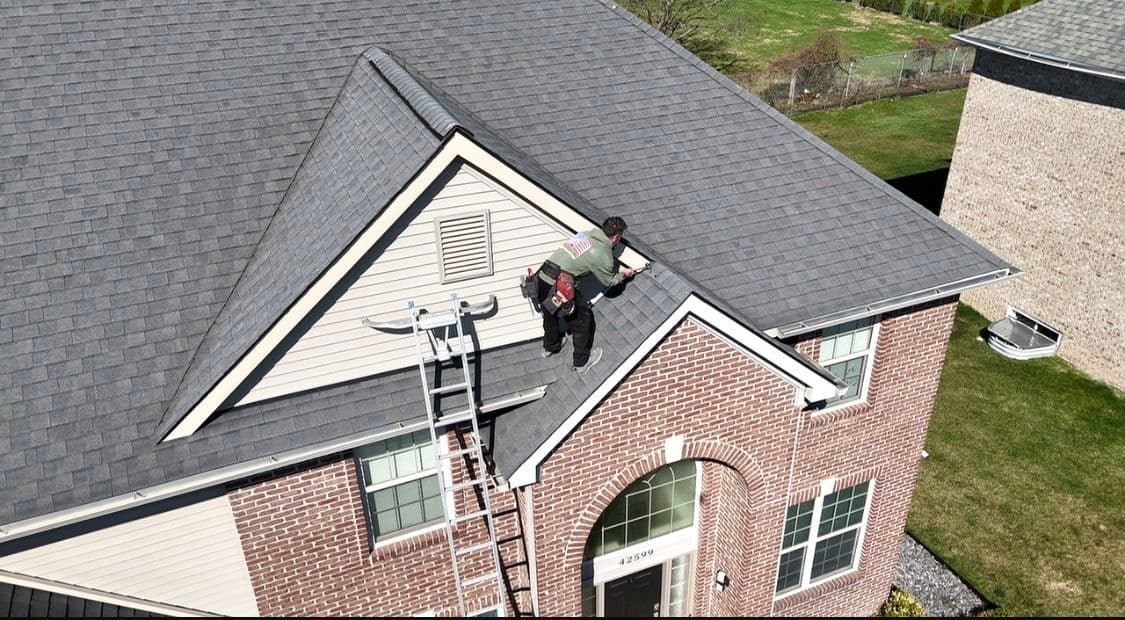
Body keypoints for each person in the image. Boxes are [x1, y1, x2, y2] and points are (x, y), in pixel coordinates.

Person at [536, 216, 637, 374]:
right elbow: (608, 281)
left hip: (542, 277)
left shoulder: (585, 234)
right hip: (559, 287)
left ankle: (550, 347)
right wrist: (624, 275)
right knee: (582, 320)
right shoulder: (602, 253)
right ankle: (582, 363)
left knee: (550, 313)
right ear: (617, 237)